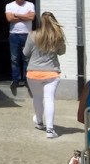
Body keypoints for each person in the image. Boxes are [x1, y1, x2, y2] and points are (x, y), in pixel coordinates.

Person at [23, 11, 65, 139]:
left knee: (37, 98)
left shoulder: (33, 35)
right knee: (49, 99)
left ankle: (40, 122)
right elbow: (62, 52)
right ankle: (50, 130)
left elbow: (25, 53)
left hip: (33, 73)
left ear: (40, 22)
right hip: (51, 73)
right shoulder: (57, 36)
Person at [6, 0, 36, 92]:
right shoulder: (9, 5)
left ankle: (26, 79)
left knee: (26, 58)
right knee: (14, 59)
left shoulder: (30, 4)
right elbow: (9, 19)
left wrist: (17, 15)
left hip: (27, 35)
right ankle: (16, 79)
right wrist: (25, 16)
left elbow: (32, 17)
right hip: (14, 35)